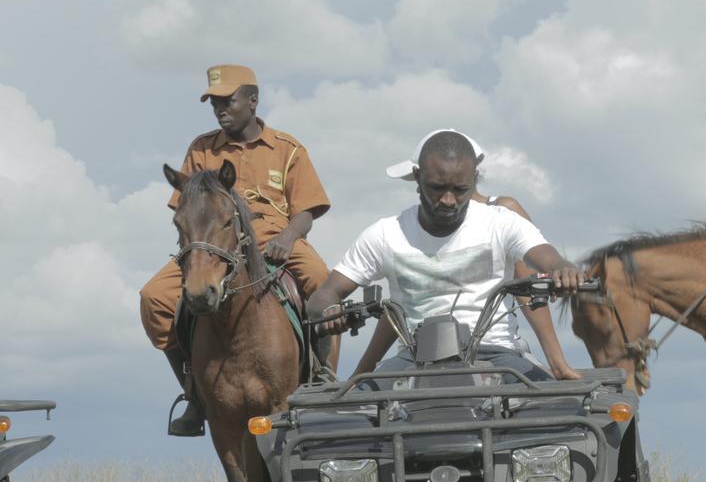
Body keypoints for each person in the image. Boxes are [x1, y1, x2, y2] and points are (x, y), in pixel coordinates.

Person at [140, 64, 334, 436]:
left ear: (253, 101)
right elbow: (186, 208)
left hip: (273, 237)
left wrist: (289, 238)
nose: (220, 109)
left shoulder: (287, 149)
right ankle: (195, 393)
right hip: (215, 243)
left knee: (322, 283)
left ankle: (323, 376)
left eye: (227, 100)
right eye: (214, 102)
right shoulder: (201, 149)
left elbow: (308, 208)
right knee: (154, 298)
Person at [307, 131, 583, 381]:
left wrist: (562, 268)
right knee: (349, 420)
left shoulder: (501, 222)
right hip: (413, 360)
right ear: (417, 178)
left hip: (498, 355)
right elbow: (323, 296)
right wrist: (330, 310)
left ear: (474, 179)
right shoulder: (384, 234)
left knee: (565, 416)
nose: (449, 200)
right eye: (438, 188)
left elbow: (544, 255)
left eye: (460, 190)